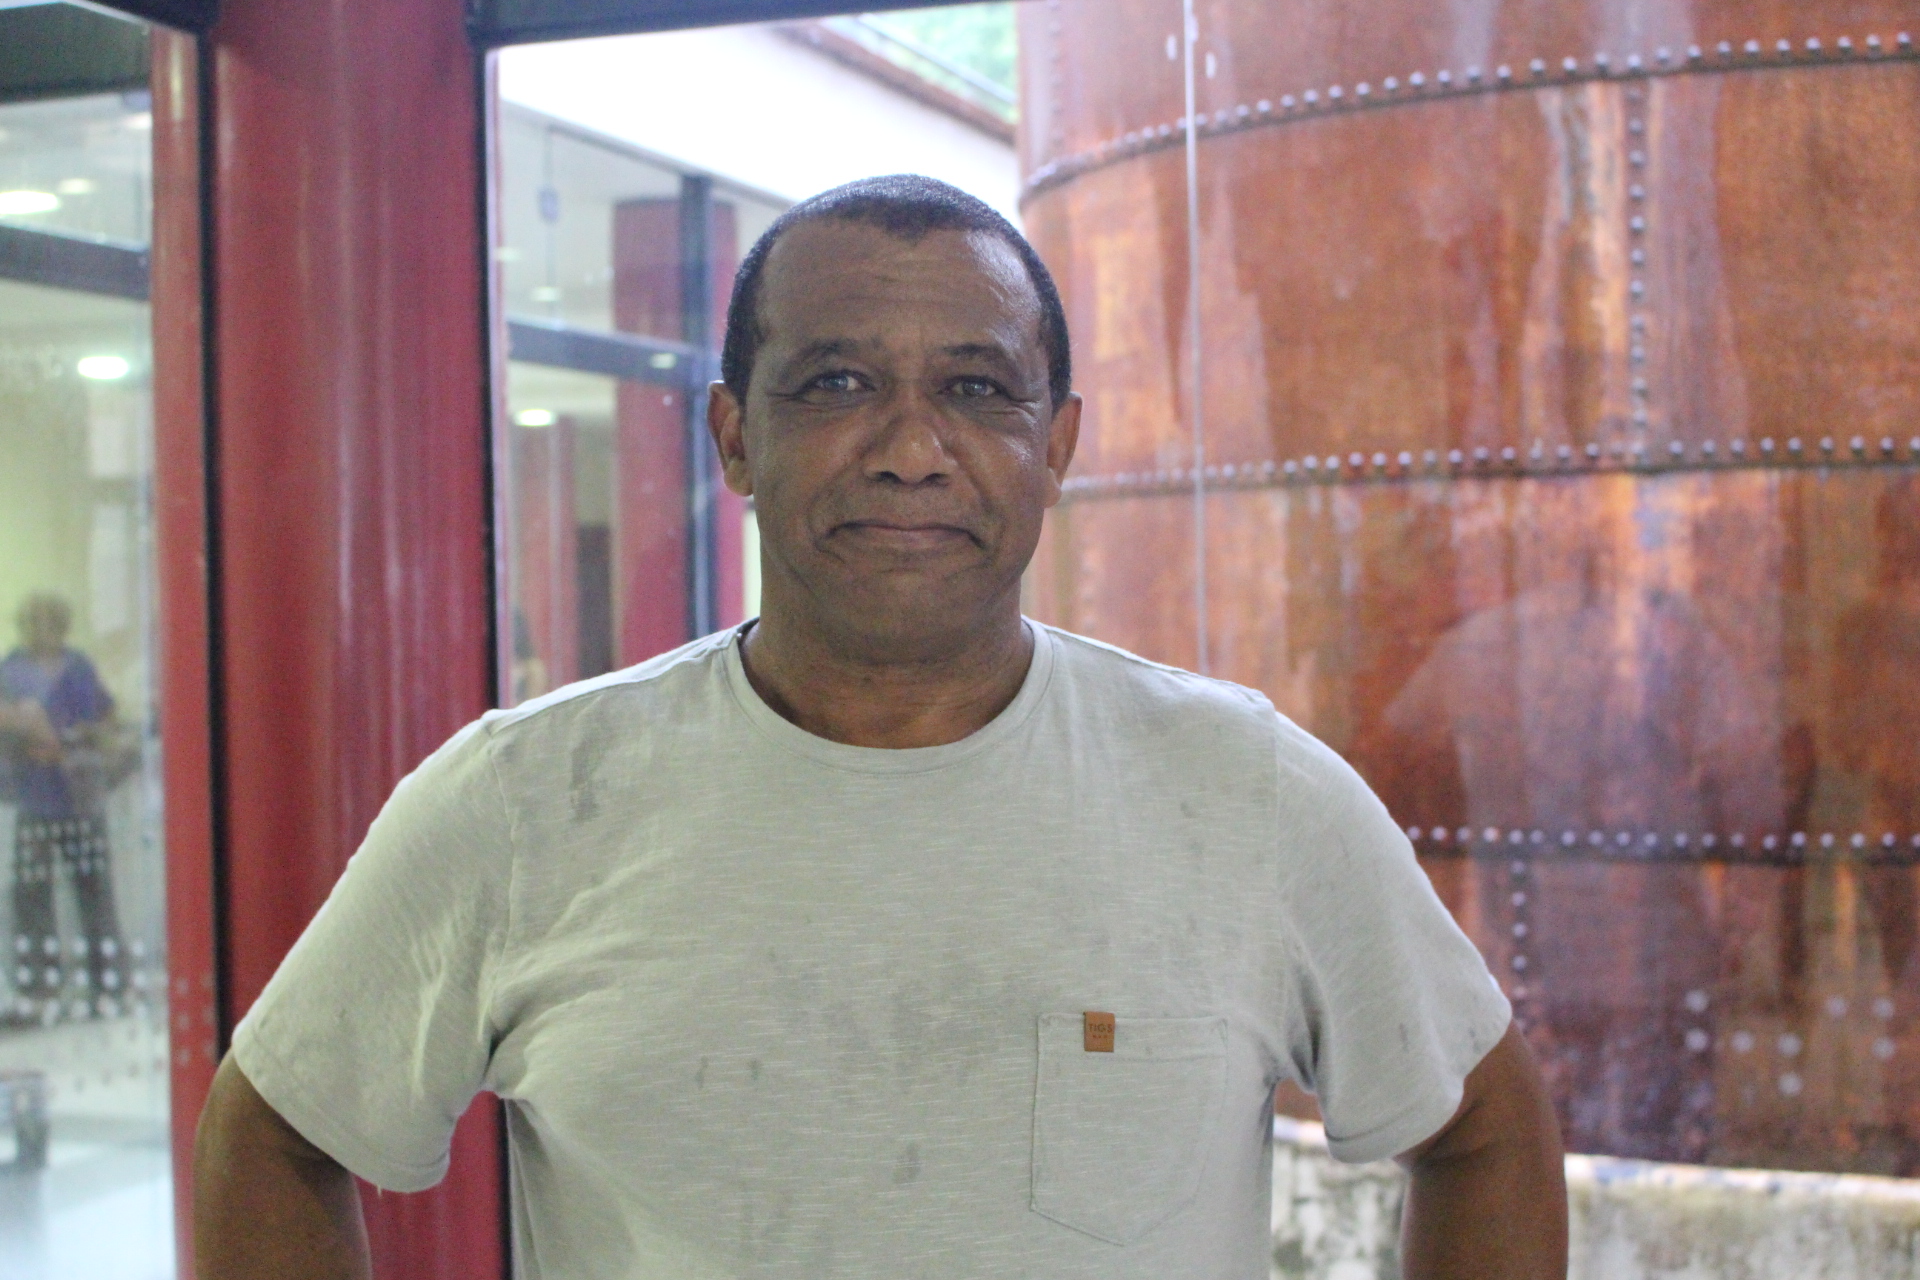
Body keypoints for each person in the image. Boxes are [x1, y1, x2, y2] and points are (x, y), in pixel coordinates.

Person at [194, 175, 1566, 1278]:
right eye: (837, 383)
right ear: (734, 436)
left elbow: (1488, 1133)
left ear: (1056, 445)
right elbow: (272, 1133)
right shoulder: (526, 798)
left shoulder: (1241, 788)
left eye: (978, 388)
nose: (912, 449)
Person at [0, 592, 128, 1023]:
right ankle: (39, 989)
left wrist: (80, 740)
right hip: (33, 796)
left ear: (61, 625)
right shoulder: (9, 669)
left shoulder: (79, 667)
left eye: (47, 621)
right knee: (31, 895)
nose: (39, 629)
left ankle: (108, 986)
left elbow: (106, 718)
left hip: (79, 796)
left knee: (94, 890)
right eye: (31, 621)